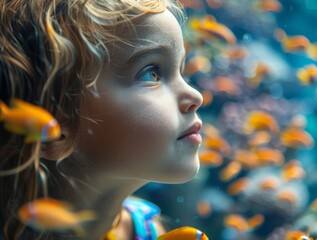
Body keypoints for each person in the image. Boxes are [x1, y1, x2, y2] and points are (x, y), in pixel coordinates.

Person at [0, 0, 203, 239]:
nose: (196, 96)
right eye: (152, 73)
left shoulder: (148, 231)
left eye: (182, 70)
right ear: (54, 127)